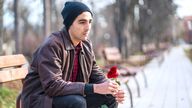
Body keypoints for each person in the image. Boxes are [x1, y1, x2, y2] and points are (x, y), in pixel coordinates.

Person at [21, 1, 125, 108]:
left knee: (110, 96)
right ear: (69, 24)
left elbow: (96, 75)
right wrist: (94, 88)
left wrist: (112, 88)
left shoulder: (86, 45)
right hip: (40, 100)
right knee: (77, 102)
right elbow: (53, 86)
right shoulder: (52, 45)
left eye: (90, 22)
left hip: (69, 96)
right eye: (82, 22)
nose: (88, 27)